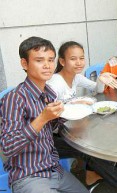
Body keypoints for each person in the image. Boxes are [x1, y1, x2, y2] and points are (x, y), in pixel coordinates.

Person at [48, 41, 117, 193]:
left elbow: (97, 91)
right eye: (73, 59)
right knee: (90, 148)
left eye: (81, 58)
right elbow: (50, 115)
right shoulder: (55, 83)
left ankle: (95, 173)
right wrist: (73, 103)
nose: (79, 62)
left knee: (106, 129)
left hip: (70, 127)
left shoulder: (76, 77)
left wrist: (100, 79)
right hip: (53, 137)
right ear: (62, 61)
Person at [0, 36, 89, 193]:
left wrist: (64, 113)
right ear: (24, 63)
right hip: (28, 176)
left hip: (53, 169)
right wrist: (42, 118)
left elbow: (50, 126)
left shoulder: (48, 93)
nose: (47, 65)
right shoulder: (14, 99)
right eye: (40, 60)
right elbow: (8, 147)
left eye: (50, 60)